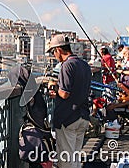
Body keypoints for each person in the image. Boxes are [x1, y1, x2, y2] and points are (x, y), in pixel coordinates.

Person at [47, 34, 91, 168]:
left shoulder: (66, 66)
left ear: (59, 50)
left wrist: (54, 87)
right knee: (75, 158)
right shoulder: (84, 65)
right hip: (83, 116)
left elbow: (65, 93)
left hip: (68, 118)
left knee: (66, 160)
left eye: (53, 52)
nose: (54, 56)